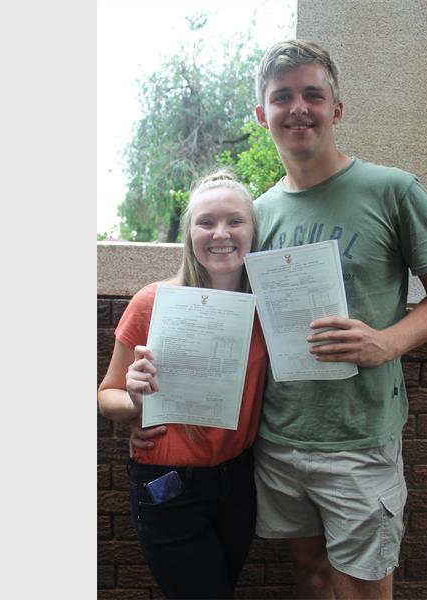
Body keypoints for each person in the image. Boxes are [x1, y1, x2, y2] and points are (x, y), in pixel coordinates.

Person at [249, 40, 427, 599]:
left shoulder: (392, 190)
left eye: (313, 94)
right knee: (311, 574)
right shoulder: (257, 213)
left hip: (358, 436)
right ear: (263, 115)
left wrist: (386, 343)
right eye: (282, 97)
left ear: (336, 109)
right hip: (280, 435)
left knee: (363, 588)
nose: (298, 107)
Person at [97, 170, 267, 599]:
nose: (221, 233)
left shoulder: (266, 309)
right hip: (167, 481)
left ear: (252, 230)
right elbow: (106, 397)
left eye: (235, 221)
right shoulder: (152, 302)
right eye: (206, 222)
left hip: (238, 479)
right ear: (190, 233)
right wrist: (133, 402)